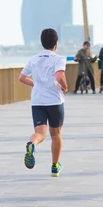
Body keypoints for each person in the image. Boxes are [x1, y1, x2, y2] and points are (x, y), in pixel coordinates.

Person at [19, 28, 67, 177]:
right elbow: (59, 77)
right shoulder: (58, 59)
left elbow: (21, 77)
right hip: (54, 101)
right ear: (56, 43)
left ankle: (32, 145)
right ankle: (54, 166)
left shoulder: (34, 59)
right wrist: (64, 86)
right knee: (56, 134)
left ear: (42, 42)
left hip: (37, 101)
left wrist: (35, 84)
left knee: (39, 133)